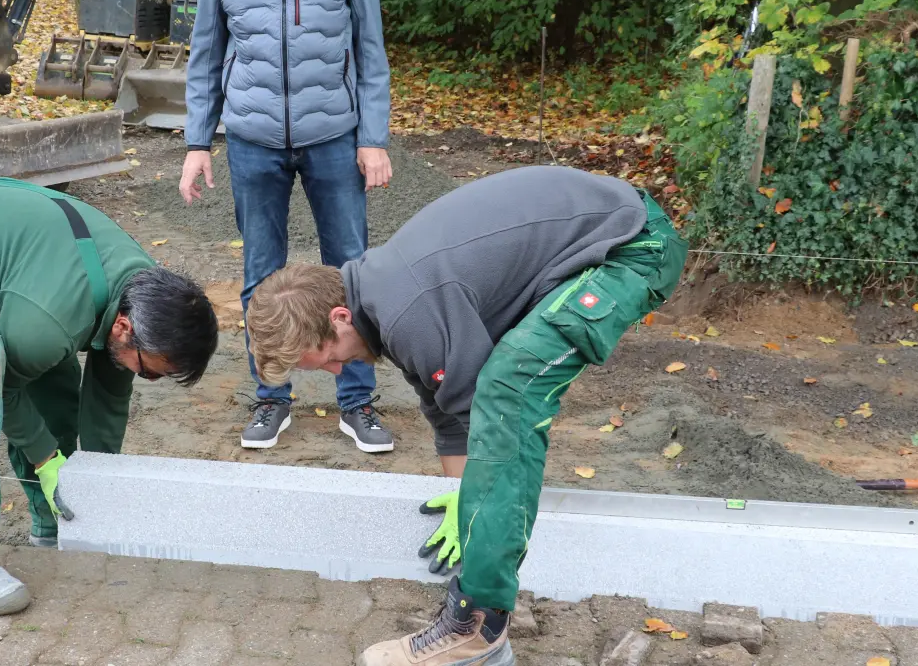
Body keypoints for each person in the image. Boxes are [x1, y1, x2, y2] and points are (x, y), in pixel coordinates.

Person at [245, 166, 687, 666]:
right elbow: (447, 413)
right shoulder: (383, 296)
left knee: (508, 389)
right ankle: (482, 606)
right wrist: (463, 501)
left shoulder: (406, 308)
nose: (334, 370)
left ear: (339, 317)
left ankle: (478, 624)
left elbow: (485, 419)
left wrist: (480, 517)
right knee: (493, 394)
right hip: (605, 236)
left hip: (633, 247)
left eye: (326, 356)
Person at [0, 177, 219, 616]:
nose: (147, 379)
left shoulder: (139, 290)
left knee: (51, 369)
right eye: (149, 371)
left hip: (16, 271)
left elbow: (108, 397)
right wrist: (45, 458)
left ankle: (53, 525)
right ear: (123, 328)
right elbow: (8, 390)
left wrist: (94, 488)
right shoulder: (54, 320)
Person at [179, 0, 396, 454]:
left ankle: (357, 401)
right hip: (252, 139)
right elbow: (206, 52)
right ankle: (271, 396)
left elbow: (370, 49)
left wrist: (373, 138)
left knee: (349, 270)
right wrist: (198, 142)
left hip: (334, 134)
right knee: (259, 274)